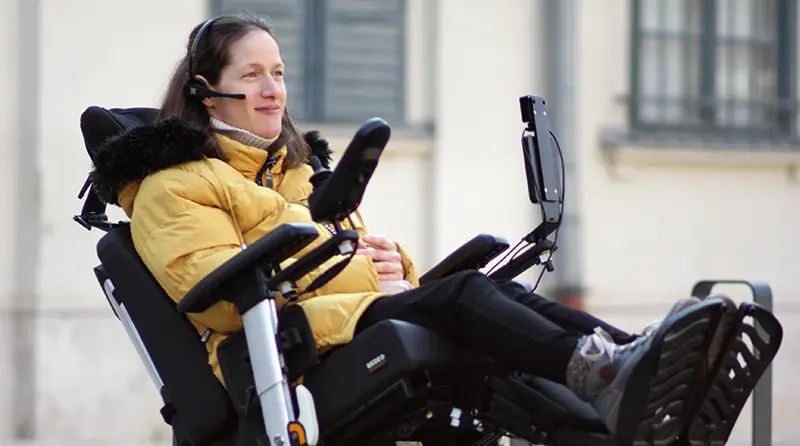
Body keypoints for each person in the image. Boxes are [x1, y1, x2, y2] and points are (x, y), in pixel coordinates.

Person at [88, 13, 728, 440]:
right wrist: (361, 270)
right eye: (250, 75)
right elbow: (221, 298)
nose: (272, 89)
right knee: (464, 298)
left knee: (489, 309)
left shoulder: (301, 175)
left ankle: (634, 377)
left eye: (278, 73)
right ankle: (622, 372)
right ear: (207, 93)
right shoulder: (175, 183)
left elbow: (366, 260)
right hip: (278, 350)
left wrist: (399, 267)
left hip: (342, 317)